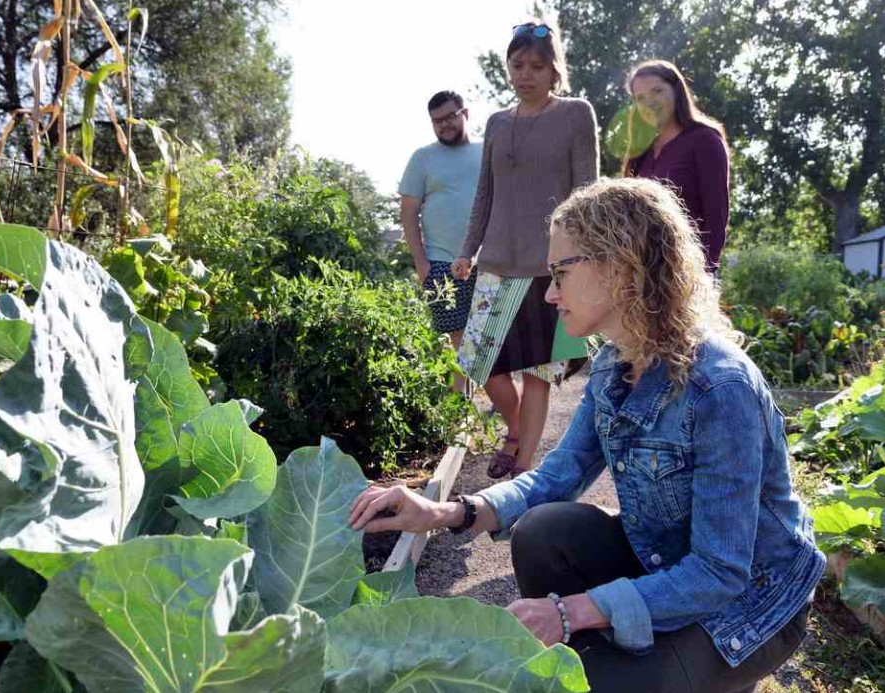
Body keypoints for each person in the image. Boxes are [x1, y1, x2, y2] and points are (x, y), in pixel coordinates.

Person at [352, 177, 826, 693]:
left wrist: (570, 611)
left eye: (560, 273)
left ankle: (689, 669)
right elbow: (557, 477)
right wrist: (444, 512)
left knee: (585, 682)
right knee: (543, 531)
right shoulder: (614, 367)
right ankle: (625, 661)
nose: (550, 293)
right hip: (665, 561)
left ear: (619, 266)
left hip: (749, 606)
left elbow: (719, 572)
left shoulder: (719, 389)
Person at [451, 21, 598, 479]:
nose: (526, 73)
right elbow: (484, 194)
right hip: (495, 264)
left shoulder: (575, 114)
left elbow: (586, 190)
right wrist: (467, 250)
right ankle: (513, 430)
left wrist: (582, 258)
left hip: (549, 268)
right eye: (518, 64)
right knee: (480, 361)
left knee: (538, 372)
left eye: (537, 65)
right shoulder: (497, 122)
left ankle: (524, 465)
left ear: (555, 71)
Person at [622, 60, 730, 272]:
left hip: (689, 270)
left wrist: (704, 274)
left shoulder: (704, 140)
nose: (649, 102)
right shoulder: (639, 150)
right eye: (640, 98)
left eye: (657, 91)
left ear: (677, 90)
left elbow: (717, 215)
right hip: (644, 273)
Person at [399, 91, 484, 361]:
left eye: (450, 117)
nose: (444, 125)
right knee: (455, 343)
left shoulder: (487, 151)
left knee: (486, 340)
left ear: (465, 114)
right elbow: (408, 214)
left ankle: (488, 400)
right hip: (441, 263)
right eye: (437, 121)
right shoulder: (422, 158)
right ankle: (458, 402)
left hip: (488, 262)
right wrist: (421, 263)